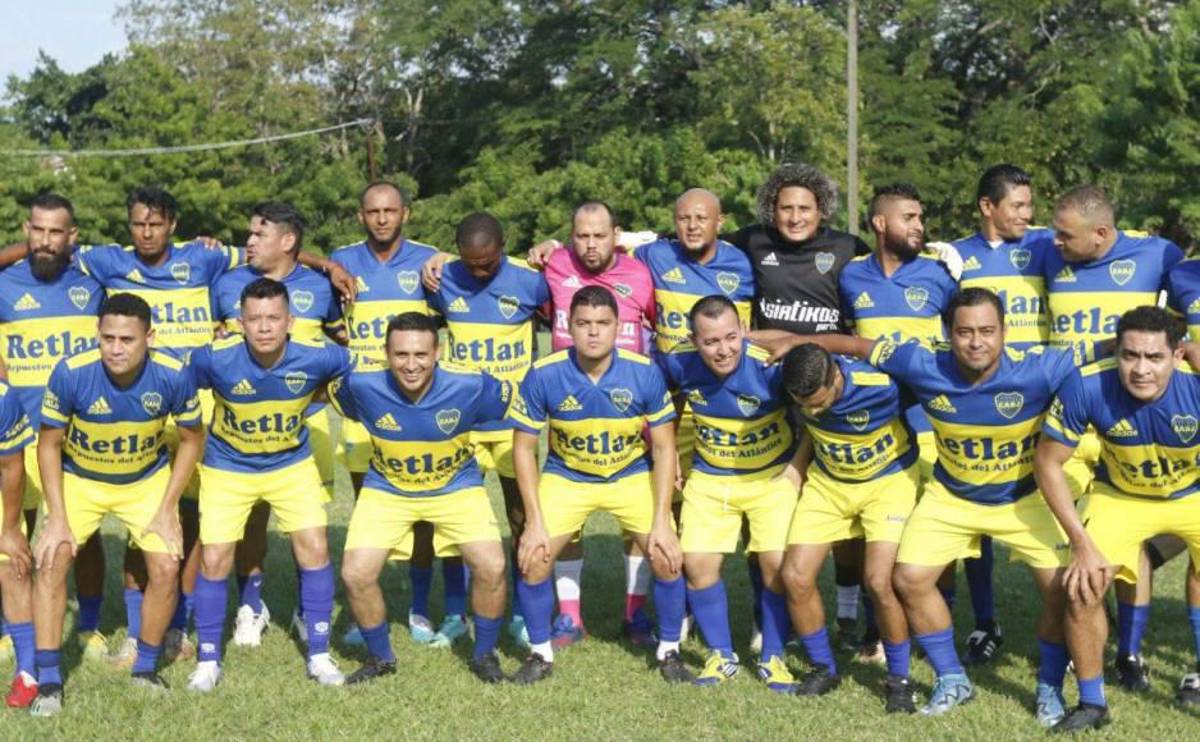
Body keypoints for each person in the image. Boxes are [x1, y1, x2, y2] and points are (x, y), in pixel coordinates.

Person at [764, 288, 1078, 726]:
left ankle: (1048, 687)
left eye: (987, 331)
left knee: (1063, 591)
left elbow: (1106, 354)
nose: (976, 341)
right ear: (948, 334)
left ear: (1005, 332)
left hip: (1020, 497)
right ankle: (951, 678)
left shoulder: (1040, 366)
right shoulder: (923, 363)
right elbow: (854, 343)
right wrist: (796, 344)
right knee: (907, 579)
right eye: (964, 331)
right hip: (950, 495)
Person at [30, 293, 203, 716]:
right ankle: (49, 680)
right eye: (107, 338)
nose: (116, 348)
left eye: (127, 339)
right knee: (51, 559)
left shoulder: (174, 374)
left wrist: (167, 507)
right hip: (81, 479)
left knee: (165, 565)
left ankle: (145, 668)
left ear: (150, 336)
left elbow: (193, 439)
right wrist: (57, 517)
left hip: (144, 480)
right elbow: (49, 445)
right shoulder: (72, 372)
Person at [508, 286, 691, 684]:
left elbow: (663, 447)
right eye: (583, 324)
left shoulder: (643, 372)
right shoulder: (544, 374)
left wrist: (662, 519)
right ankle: (540, 654)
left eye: (603, 324)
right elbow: (523, 449)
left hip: (628, 474)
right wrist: (534, 521)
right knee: (533, 558)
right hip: (568, 476)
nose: (593, 332)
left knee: (667, 555)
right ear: (567, 326)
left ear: (618, 327)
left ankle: (670, 651)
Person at [1046, 185, 1186, 690]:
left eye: (1065, 234)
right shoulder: (1047, 250)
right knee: (1073, 548)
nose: (1054, 240)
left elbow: (1177, 323)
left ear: (1102, 233)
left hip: (1138, 414)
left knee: (1137, 540)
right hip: (1075, 413)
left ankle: (1128, 653)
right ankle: (1077, 645)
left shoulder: (1161, 255)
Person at [1036, 306, 1200, 731]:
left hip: (1193, 494)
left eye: (1154, 358)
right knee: (1081, 586)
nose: (1140, 369)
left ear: (1177, 355)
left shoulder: (1195, 386)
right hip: (1120, 496)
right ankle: (1092, 702)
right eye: (1130, 356)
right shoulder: (1087, 384)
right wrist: (1081, 543)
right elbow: (1048, 464)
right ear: (1116, 352)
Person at [186, 278, 352, 691]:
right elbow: (180, 386)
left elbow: (352, 371)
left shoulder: (319, 356)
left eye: (273, 318)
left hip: (290, 464)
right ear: (240, 322)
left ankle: (318, 654)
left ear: (290, 321)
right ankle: (208, 660)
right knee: (215, 558)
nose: (264, 328)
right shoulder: (213, 358)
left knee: (314, 547)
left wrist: (318, 398)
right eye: (255, 319)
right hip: (228, 467)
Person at [332, 311, 513, 683]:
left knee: (492, 566)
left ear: (438, 352)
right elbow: (334, 398)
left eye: (420, 355)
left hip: (456, 487)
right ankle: (380, 658)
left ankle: (484, 655)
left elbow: (519, 410)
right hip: (388, 488)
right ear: (385, 353)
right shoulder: (360, 384)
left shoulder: (472, 384)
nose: (410, 365)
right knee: (355, 574)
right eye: (400, 355)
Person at [329, 183, 464, 648]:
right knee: (371, 511)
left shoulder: (430, 261)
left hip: (421, 409)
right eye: (373, 211)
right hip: (364, 409)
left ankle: (422, 608)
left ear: (406, 212)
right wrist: (321, 263)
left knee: (427, 514)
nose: (382, 219)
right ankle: (367, 613)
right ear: (360, 216)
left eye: (390, 211)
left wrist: (449, 256)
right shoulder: (340, 261)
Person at [210, 202, 346, 648]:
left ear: (287, 241)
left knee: (307, 526)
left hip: (306, 424)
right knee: (249, 521)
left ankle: (309, 610)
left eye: (258, 234)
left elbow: (341, 347)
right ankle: (252, 606)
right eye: (248, 234)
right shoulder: (228, 281)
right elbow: (218, 342)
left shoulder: (322, 288)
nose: (248, 242)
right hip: (243, 425)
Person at [836, 182, 955, 662]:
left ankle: (938, 628)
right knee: (876, 532)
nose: (919, 226)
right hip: (875, 426)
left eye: (920, 217)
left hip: (929, 422)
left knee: (934, 530)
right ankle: (877, 629)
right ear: (881, 223)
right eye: (910, 217)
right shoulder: (850, 278)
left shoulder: (939, 276)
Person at [657, 295, 800, 692]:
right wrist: (668, 467)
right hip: (710, 477)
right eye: (711, 342)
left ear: (743, 331)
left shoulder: (770, 365)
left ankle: (773, 656)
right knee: (698, 565)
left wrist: (796, 469)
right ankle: (722, 654)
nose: (723, 350)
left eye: (731, 337)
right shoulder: (677, 363)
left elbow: (810, 418)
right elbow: (662, 412)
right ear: (693, 340)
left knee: (776, 565)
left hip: (771, 478)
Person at [425, 213, 549, 649]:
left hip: (516, 426)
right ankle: (456, 612)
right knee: (454, 520)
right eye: (470, 263)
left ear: (503, 248)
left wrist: (551, 244)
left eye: (488, 262)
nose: (479, 271)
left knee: (521, 517)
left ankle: (519, 612)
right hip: (461, 426)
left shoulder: (531, 281)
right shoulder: (441, 279)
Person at [779, 342, 920, 711]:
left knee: (878, 580)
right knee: (795, 576)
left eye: (819, 402)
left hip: (888, 483)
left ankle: (899, 682)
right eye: (804, 404)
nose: (812, 410)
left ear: (837, 376)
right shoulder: (792, 383)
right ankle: (823, 668)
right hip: (828, 485)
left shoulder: (883, 386)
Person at [0, 194, 107, 665]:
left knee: (81, 536)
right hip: (16, 433)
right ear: (26, 230)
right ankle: (11, 628)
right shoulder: (4, 283)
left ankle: (89, 626)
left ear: (73, 237)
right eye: (37, 231)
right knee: (13, 531)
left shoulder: (93, 281)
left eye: (55, 232)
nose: (45, 241)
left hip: (72, 435)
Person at [0, 375, 37, 707]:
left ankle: (28, 672)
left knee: (14, 569)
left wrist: (10, 530)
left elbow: (12, 467)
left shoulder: (2, 398)